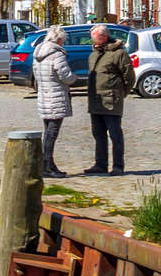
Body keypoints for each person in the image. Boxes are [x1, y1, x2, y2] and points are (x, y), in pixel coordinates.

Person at [84, 24, 135, 176]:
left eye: (94, 36)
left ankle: (118, 166)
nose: (91, 39)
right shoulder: (94, 53)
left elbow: (129, 76)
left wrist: (121, 93)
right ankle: (100, 164)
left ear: (103, 37)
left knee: (115, 135)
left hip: (111, 101)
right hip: (96, 101)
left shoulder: (118, 53)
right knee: (98, 134)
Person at [33, 24, 75, 177]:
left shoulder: (37, 54)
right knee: (52, 133)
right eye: (62, 41)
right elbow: (66, 76)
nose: (63, 43)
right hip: (56, 97)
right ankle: (46, 166)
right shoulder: (57, 55)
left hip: (44, 96)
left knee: (48, 132)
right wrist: (74, 78)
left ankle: (49, 164)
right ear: (58, 40)